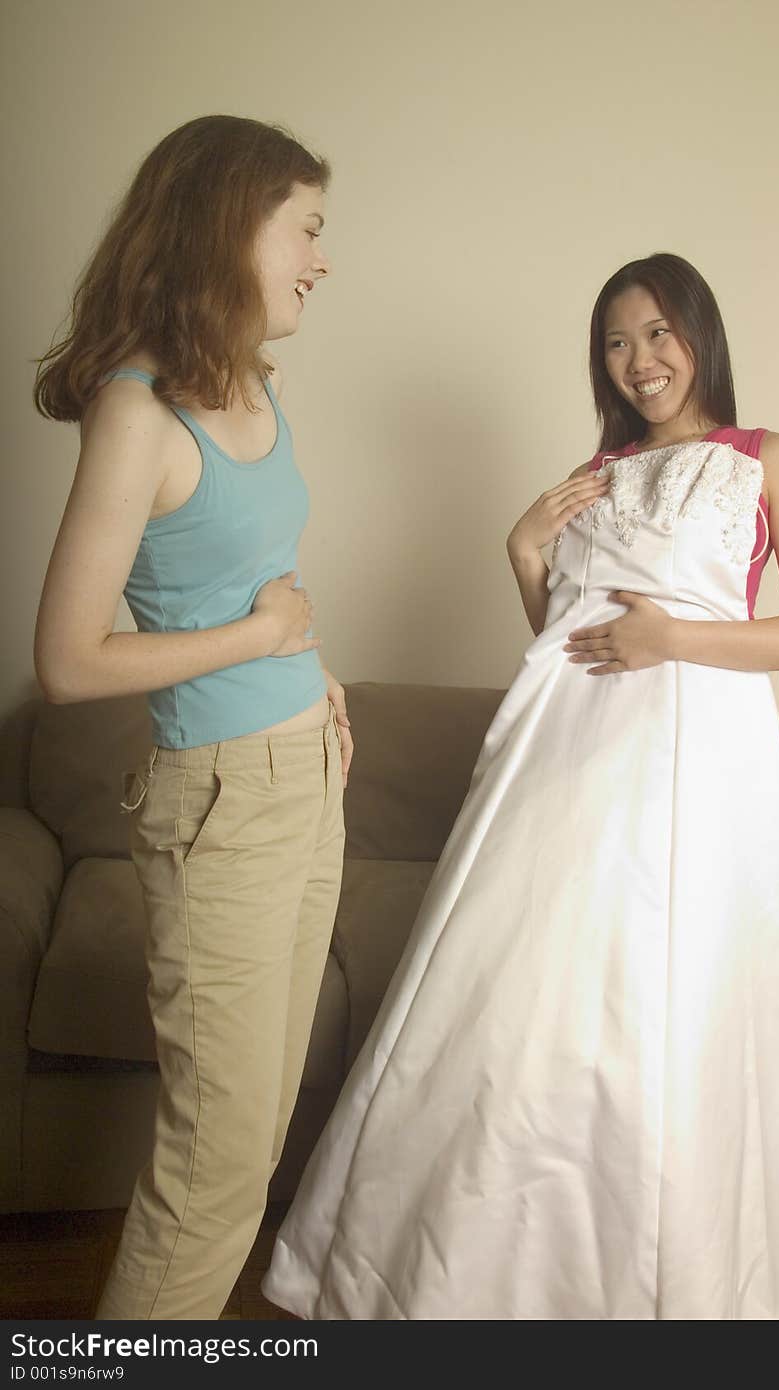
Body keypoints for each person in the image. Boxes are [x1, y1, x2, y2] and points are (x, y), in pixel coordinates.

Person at [262, 253, 779, 1320]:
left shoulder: (765, 458)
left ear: (701, 333)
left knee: (676, 1008)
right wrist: (521, 548)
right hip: (564, 764)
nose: (638, 361)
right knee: (523, 1017)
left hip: (698, 767)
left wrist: (671, 634)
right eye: (614, 341)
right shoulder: (594, 474)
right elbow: (567, 644)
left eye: (657, 332)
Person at [33, 115, 351, 1320]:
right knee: (211, 1169)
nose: (322, 258)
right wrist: (261, 641)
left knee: (252, 1143)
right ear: (233, 226)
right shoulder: (138, 413)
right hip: (220, 800)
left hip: (304, 773)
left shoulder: (253, 385)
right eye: (308, 229)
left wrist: (307, 674)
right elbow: (66, 659)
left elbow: (249, 575)